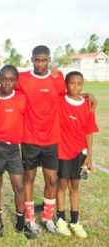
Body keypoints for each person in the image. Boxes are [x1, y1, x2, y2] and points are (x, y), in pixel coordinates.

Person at [0, 45, 96, 237]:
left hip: (51, 139)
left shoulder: (57, 78)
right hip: (29, 139)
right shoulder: (24, 78)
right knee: (28, 178)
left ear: (49, 60)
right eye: (36, 60)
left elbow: (70, 92)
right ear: (31, 60)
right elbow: (7, 85)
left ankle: (47, 218)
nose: (40, 64)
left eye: (44, 60)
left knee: (52, 180)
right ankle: (30, 219)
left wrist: (87, 95)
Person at [0, 65, 33, 238]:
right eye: (4, 79)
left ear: (16, 82)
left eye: (11, 80)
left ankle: (21, 224)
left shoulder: (21, 98)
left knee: (19, 187)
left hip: (13, 149)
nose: (7, 83)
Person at [55, 71, 99, 238]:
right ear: (66, 84)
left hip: (79, 152)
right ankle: (60, 219)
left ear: (82, 84)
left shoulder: (88, 105)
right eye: (72, 83)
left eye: (79, 84)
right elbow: (53, 88)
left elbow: (89, 132)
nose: (75, 87)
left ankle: (75, 221)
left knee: (75, 187)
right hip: (62, 152)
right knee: (61, 186)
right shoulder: (60, 100)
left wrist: (89, 157)